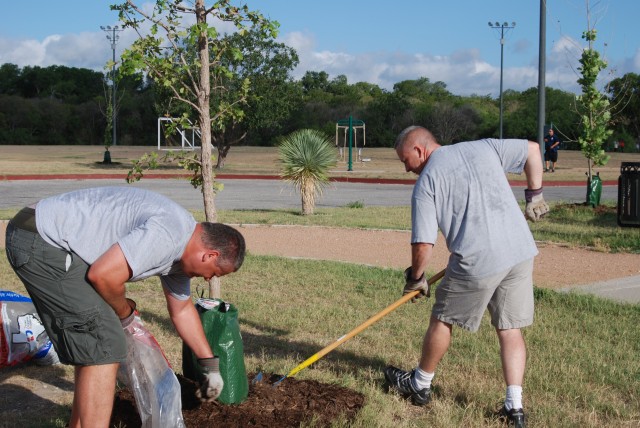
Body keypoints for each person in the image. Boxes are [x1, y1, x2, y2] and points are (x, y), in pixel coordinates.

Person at [5, 186, 246, 428]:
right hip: (40, 239)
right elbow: (104, 276)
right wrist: (125, 313)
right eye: (214, 273)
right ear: (210, 255)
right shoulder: (169, 234)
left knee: (97, 343)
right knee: (106, 342)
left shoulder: (180, 255)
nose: (208, 279)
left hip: (47, 237)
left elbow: (182, 310)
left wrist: (210, 366)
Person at [384, 126, 548, 428]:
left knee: (442, 319)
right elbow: (533, 151)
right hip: (519, 251)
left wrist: (416, 277)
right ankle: (515, 408)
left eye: (405, 160)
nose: (407, 168)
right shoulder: (483, 147)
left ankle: (419, 384)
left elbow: (423, 243)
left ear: (420, 151)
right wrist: (534, 195)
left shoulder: (427, 182)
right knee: (510, 329)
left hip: (477, 261)